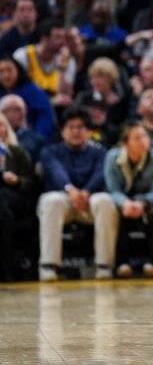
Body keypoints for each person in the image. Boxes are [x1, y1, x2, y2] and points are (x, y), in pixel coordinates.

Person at [37, 107, 118, 282]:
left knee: (105, 201)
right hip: (62, 200)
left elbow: (100, 174)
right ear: (62, 131)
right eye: (70, 127)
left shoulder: (100, 152)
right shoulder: (50, 151)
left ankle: (104, 265)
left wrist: (86, 191)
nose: (75, 131)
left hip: (89, 200)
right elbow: (55, 171)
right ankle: (48, 265)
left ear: (89, 131)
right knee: (53, 200)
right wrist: (71, 190)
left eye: (80, 127)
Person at [105, 122, 153, 278]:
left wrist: (142, 202)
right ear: (125, 144)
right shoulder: (112, 158)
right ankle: (121, 263)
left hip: (148, 200)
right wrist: (125, 203)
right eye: (137, 138)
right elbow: (112, 189)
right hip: (124, 201)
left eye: (145, 136)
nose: (144, 141)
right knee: (115, 212)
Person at [0, 112, 36, 282]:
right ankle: (6, 268)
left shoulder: (18, 152)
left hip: (16, 197)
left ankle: (6, 268)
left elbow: (31, 183)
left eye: (1, 125)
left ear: (6, 129)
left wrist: (17, 180)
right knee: (3, 213)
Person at [12, 18, 76, 108]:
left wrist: (61, 69)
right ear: (44, 38)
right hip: (27, 108)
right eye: (58, 37)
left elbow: (66, 97)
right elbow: (15, 92)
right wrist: (50, 101)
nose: (62, 42)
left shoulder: (68, 60)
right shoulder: (23, 56)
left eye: (63, 37)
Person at [0, 56, 55, 140]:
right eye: (1, 71)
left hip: (29, 139)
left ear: (18, 70)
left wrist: (38, 139)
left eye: (9, 70)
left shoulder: (33, 91)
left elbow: (44, 118)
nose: (6, 75)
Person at [0, 94, 47, 163]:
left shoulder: (37, 140)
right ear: (2, 112)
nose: (21, 113)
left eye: (20, 109)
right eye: (13, 109)